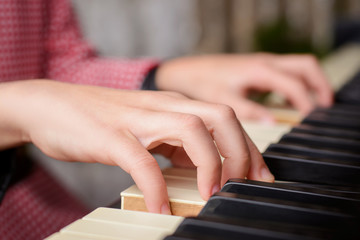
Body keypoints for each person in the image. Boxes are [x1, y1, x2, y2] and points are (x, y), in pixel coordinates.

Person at [0, 0, 333, 239]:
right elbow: (40, 99)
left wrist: (165, 77)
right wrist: (21, 107)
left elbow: (56, 65)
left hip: (36, 209)